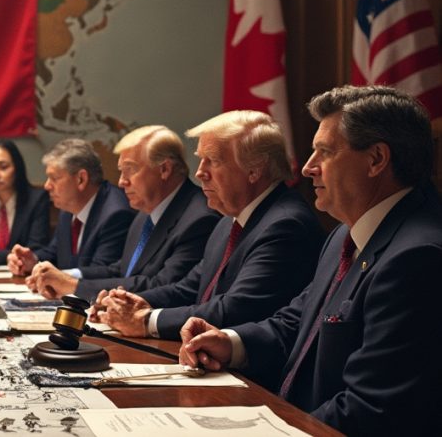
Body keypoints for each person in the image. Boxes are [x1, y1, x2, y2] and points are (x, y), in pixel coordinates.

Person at [179, 86, 442, 435]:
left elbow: (372, 408)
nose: (306, 168)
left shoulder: (417, 257)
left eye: (324, 152)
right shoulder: (342, 235)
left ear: (377, 159)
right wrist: (230, 343)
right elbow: (299, 322)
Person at [93, 111, 324, 340]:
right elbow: (190, 288)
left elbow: (236, 309)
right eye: (201, 159)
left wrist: (145, 321)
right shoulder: (228, 220)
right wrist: (132, 303)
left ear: (254, 170)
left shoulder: (285, 225)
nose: (200, 172)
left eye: (212, 161)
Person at [25, 126, 219, 300]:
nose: (121, 182)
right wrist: (64, 278)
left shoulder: (199, 219)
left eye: (130, 170)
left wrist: (73, 286)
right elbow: (122, 269)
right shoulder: (145, 212)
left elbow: (162, 286)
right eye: (120, 172)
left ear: (164, 169)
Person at [7, 138, 135, 276]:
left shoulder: (115, 213)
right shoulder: (68, 208)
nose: (47, 186)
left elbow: (103, 273)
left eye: (54, 178)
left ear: (81, 179)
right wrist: (32, 261)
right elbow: (55, 252)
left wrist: (60, 277)